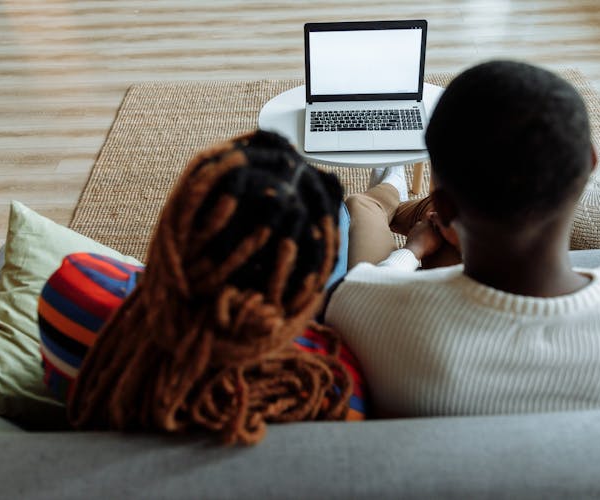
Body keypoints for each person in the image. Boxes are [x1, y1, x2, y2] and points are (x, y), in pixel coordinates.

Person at [324, 60, 600, 418]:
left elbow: (371, 284)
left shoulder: (360, 309)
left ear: (444, 205)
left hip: (428, 261)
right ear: (590, 165)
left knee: (365, 208)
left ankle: (386, 196)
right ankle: (392, 195)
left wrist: (411, 252)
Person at [37, 130, 367, 445]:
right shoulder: (332, 390)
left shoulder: (72, 290)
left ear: (171, 228)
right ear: (306, 296)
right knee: (333, 214)